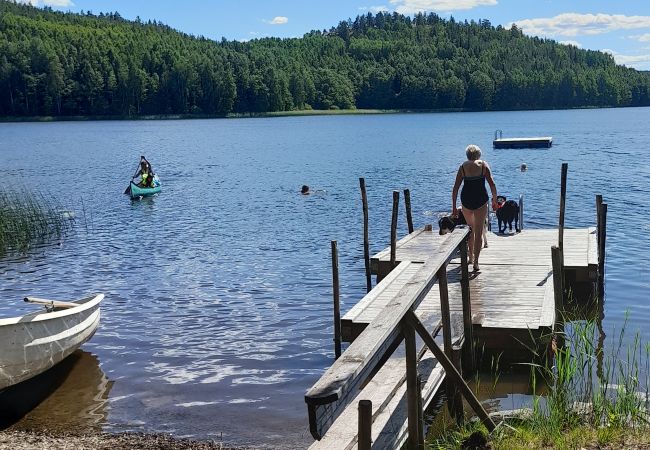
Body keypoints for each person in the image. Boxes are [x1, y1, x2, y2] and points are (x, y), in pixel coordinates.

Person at [451, 144, 498, 272]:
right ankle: (476, 262)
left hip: (466, 200)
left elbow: (455, 189)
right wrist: (495, 200)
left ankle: (470, 257)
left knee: (470, 229)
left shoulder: (462, 167)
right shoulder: (483, 165)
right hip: (481, 200)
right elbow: (492, 184)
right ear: (479, 155)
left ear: (467, 155)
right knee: (478, 232)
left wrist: (454, 207)